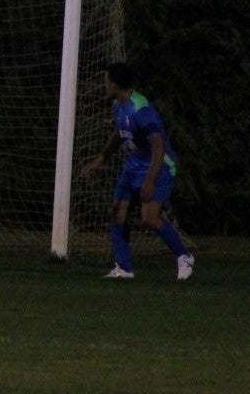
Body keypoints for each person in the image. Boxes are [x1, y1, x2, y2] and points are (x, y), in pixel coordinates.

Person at [81, 62, 194, 280]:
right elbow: (118, 134)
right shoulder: (118, 105)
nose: (104, 84)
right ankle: (124, 268)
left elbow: (159, 147)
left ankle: (184, 255)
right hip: (133, 165)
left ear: (114, 84)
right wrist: (99, 159)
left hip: (159, 166)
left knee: (149, 217)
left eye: (106, 80)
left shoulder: (141, 109)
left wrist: (149, 181)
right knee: (117, 211)